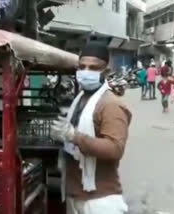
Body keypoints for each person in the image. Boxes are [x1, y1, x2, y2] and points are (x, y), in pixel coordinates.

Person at [50, 42, 132, 214]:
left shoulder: (111, 105)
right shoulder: (80, 99)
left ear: (106, 72)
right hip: (75, 194)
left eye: (94, 68)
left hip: (100, 200)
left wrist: (74, 136)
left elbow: (115, 148)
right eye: (82, 67)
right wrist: (62, 135)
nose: (86, 72)